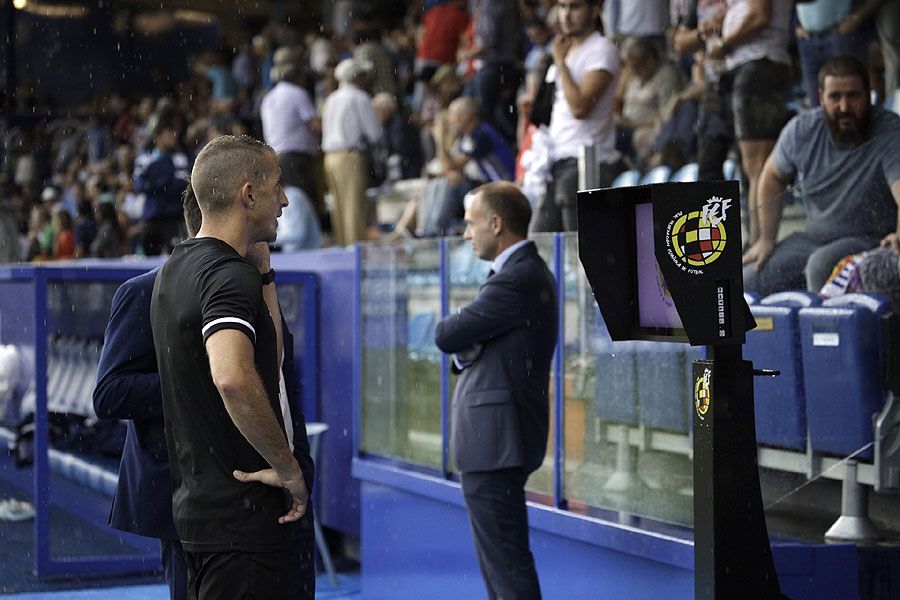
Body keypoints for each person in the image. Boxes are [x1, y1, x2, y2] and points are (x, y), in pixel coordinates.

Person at [95, 183, 316, 600]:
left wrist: (295, 465)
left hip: (272, 488)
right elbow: (109, 394)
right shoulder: (145, 291)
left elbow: (277, 377)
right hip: (193, 495)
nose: (283, 202)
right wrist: (203, 378)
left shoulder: (254, 284)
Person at [150, 135, 313, 598]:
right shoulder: (226, 275)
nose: (284, 200)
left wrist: (263, 272)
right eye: (277, 185)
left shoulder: (176, 269)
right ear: (248, 194)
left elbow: (267, 365)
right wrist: (287, 468)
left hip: (205, 515)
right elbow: (233, 378)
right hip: (245, 526)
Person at [434, 182, 558, 600]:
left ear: (497, 223)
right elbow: (465, 342)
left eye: (471, 224)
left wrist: (465, 337)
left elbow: (447, 334)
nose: (466, 233)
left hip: (497, 445)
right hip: (494, 443)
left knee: (507, 570)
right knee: (500, 569)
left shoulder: (518, 277)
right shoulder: (518, 275)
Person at [742, 55, 900, 296]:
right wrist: (766, 238)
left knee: (819, 266)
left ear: (868, 95)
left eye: (853, 96)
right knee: (748, 279)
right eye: (835, 97)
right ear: (821, 97)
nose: (844, 107)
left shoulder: (889, 131)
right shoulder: (801, 129)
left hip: (869, 241)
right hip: (813, 239)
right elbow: (772, 175)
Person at [531, 0, 621, 232]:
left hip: (586, 161)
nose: (566, 14)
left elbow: (580, 108)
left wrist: (561, 63)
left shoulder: (601, 49)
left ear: (594, 10)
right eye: (562, 7)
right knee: (540, 242)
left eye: (575, 7)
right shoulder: (564, 49)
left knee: (577, 245)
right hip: (556, 159)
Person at [321, 58, 384, 245]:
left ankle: (343, 247)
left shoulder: (331, 99)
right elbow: (375, 134)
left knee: (339, 207)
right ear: (355, 76)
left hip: (330, 157)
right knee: (353, 207)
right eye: (363, 74)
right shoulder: (360, 97)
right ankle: (355, 251)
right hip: (350, 156)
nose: (366, 78)